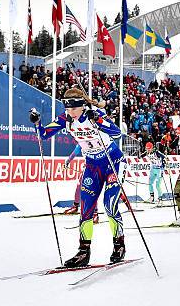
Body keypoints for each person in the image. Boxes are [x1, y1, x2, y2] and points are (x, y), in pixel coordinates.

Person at [29, 88, 126, 267]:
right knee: (86, 208)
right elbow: (43, 135)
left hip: (113, 162)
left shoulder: (93, 114)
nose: (70, 112)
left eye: (73, 108)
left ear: (81, 106)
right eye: (67, 108)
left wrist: (97, 120)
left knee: (109, 206)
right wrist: (37, 122)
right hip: (92, 165)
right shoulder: (65, 119)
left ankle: (119, 245)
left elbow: (117, 133)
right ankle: (83, 252)